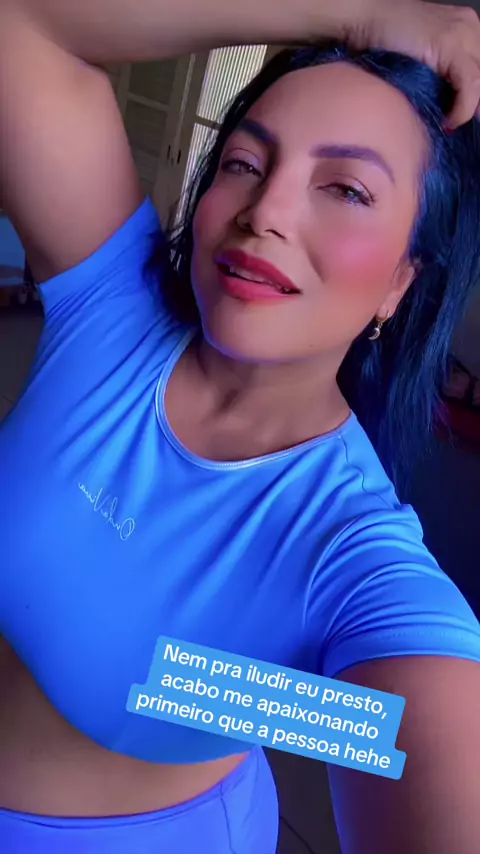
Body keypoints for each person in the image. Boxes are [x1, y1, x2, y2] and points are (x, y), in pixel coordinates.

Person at [1, 1, 480, 852]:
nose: (267, 211)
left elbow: (416, 738)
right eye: (245, 162)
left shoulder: (353, 557)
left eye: (346, 188)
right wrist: (359, 12)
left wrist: (258, 701)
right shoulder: (112, 309)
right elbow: (23, 25)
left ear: (401, 282)